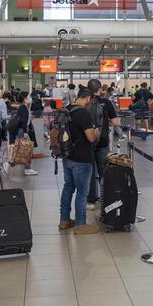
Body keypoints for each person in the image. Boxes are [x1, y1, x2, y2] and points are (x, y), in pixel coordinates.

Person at [59, 88, 99, 234]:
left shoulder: (67, 110)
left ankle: (64, 220)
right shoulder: (83, 113)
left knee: (68, 187)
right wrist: (96, 131)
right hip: (81, 158)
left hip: (67, 156)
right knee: (82, 192)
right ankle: (81, 224)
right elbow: (91, 137)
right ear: (88, 98)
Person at [86, 79, 119, 210]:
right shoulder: (106, 102)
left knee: (89, 172)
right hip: (103, 141)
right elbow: (115, 122)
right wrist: (105, 123)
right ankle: (106, 198)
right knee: (103, 171)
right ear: (100, 89)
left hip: (87, 142)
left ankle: (90, 201)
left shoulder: (85, 102)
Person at [4, 92, 38, 176]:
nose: (29, 98)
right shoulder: (23, 107)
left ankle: (25, 167)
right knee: (24, 149)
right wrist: (25, 132)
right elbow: (23, 121)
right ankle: (23, 167)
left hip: (20, 130)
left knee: (22, 149)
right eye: (28, 96)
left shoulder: (23, 107)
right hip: (21, 131)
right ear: (25, 98)